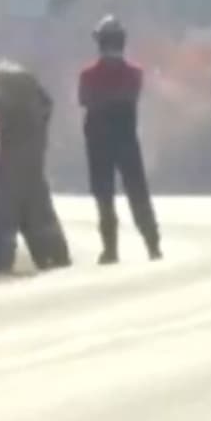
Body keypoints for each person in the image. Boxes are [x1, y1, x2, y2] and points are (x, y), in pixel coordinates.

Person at [0, 48, 71, 271]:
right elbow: (47, 104)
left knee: (5, 215)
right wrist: (39, 132)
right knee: (40, 211)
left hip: (7, 157)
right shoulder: (23, 75)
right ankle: (55, 258)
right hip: (34, 155)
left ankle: (0, 264)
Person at [78, 15, 161, 264]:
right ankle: (152, 245)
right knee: (138, 194)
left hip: (98, 143)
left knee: (104, 199)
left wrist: (103, 103)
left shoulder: (88, 75)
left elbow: (85, 100)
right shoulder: (134, 73)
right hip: (126, 141)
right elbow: (129, 97)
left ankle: (111, 250)